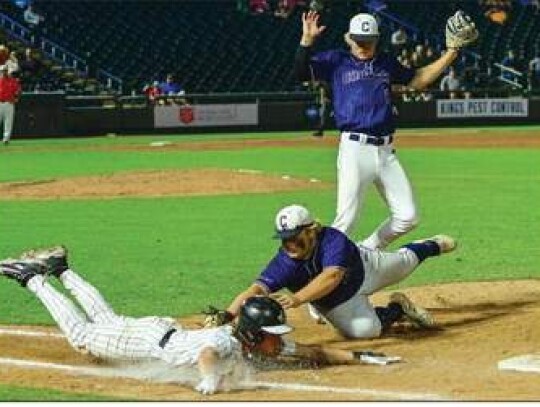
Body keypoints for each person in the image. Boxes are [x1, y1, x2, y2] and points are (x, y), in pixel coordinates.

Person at [0, 246, 400, 395]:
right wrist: (209, 381)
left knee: (104, 318)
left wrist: (361, 357)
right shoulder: (229, 342)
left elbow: (313, 351)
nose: (277, 342)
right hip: (143, 341)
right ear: (252, 333)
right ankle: (33, 277)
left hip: (156, 331)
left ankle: (62, 269)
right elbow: (209, 352)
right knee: (83, 335)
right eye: (272, 335)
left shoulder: (254, 338)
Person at [294, 10, 478, 251]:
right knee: (344, 222)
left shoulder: (386, 63)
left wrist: (452, 53)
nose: (363, 46)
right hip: (355, 149)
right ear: (349, 38)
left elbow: (418, 79)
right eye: (358, 41)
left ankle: (365, 251)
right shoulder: (336, 61)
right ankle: (322, 275)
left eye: (367, 41)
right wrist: (306, 41)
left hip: (386, 152)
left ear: (377, 40)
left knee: (408, 217)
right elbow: (300, 73)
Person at [222, 204, 457, 339]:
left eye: (294, 237)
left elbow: (332, 276)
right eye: (284, 239)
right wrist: (228, 315)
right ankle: (397, 308)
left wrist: (297, 298)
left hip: (367, 269)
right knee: (366, 331)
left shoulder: (333, 239)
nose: (289, 244)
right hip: (336, 302)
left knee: (406, 262)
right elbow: (256, 289)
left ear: (311, 230)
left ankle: (432, 244)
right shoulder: (285, 261)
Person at [0, 65, 21, 145]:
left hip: (9, 103)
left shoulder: (12, 80)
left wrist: (16, 98)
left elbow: (18, 90)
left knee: (8, 122)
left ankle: (6, 139)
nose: (3, 72)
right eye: (2, 71)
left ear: (7, 71)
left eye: (4, 70)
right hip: (0, 102)